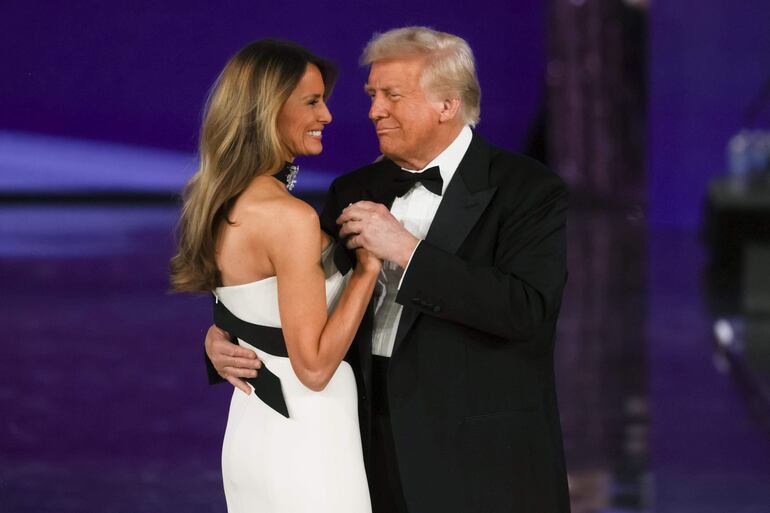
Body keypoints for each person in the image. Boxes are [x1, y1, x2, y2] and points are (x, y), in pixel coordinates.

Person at [206, 27, 571, 513]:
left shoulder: (528, 191)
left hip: (480, 462)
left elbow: (527, 310)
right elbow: (305, 300)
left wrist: (407, 251)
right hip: (361, 449)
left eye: (392, 95)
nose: (375, 109)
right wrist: (226, 337)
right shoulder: (352, 188)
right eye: (373, 94)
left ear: (447, 105)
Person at [170, 39, 379, 513]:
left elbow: (245, 310)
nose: (326, 115)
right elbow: (315, 367)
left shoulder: (221, 201)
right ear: (267, 111)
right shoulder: (289, 217)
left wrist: (216, 339)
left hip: (252, 427)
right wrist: (368, 268)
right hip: (307, 433)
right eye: (311, 101)